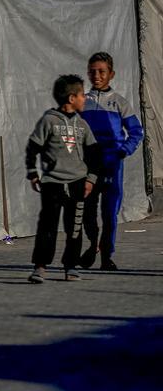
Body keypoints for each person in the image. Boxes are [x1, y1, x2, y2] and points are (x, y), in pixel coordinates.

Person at [25, 75, 98, 284]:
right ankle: (40, 267)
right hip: (52, 184)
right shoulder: (49, 120)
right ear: (71, 98)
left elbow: (94, 154)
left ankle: (71, 266)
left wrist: (90, 179)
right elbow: (33, 147)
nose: (85, 99)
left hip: (77, 183)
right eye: (82, 95)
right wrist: (32, 173)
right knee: (47, 226)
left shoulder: (82, 124)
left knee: (74, 227)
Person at [80, 52, 144, 271]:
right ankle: (92, 245)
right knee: (87, 210)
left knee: (109, 212)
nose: (96, 76)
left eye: (101, 72)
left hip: (112, 165)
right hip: (88, 166)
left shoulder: (119, 103)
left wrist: (122, 151)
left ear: (111, 74)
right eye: (92, 71)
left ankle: (107, 255)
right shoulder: (82, 102)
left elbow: (136, 132)